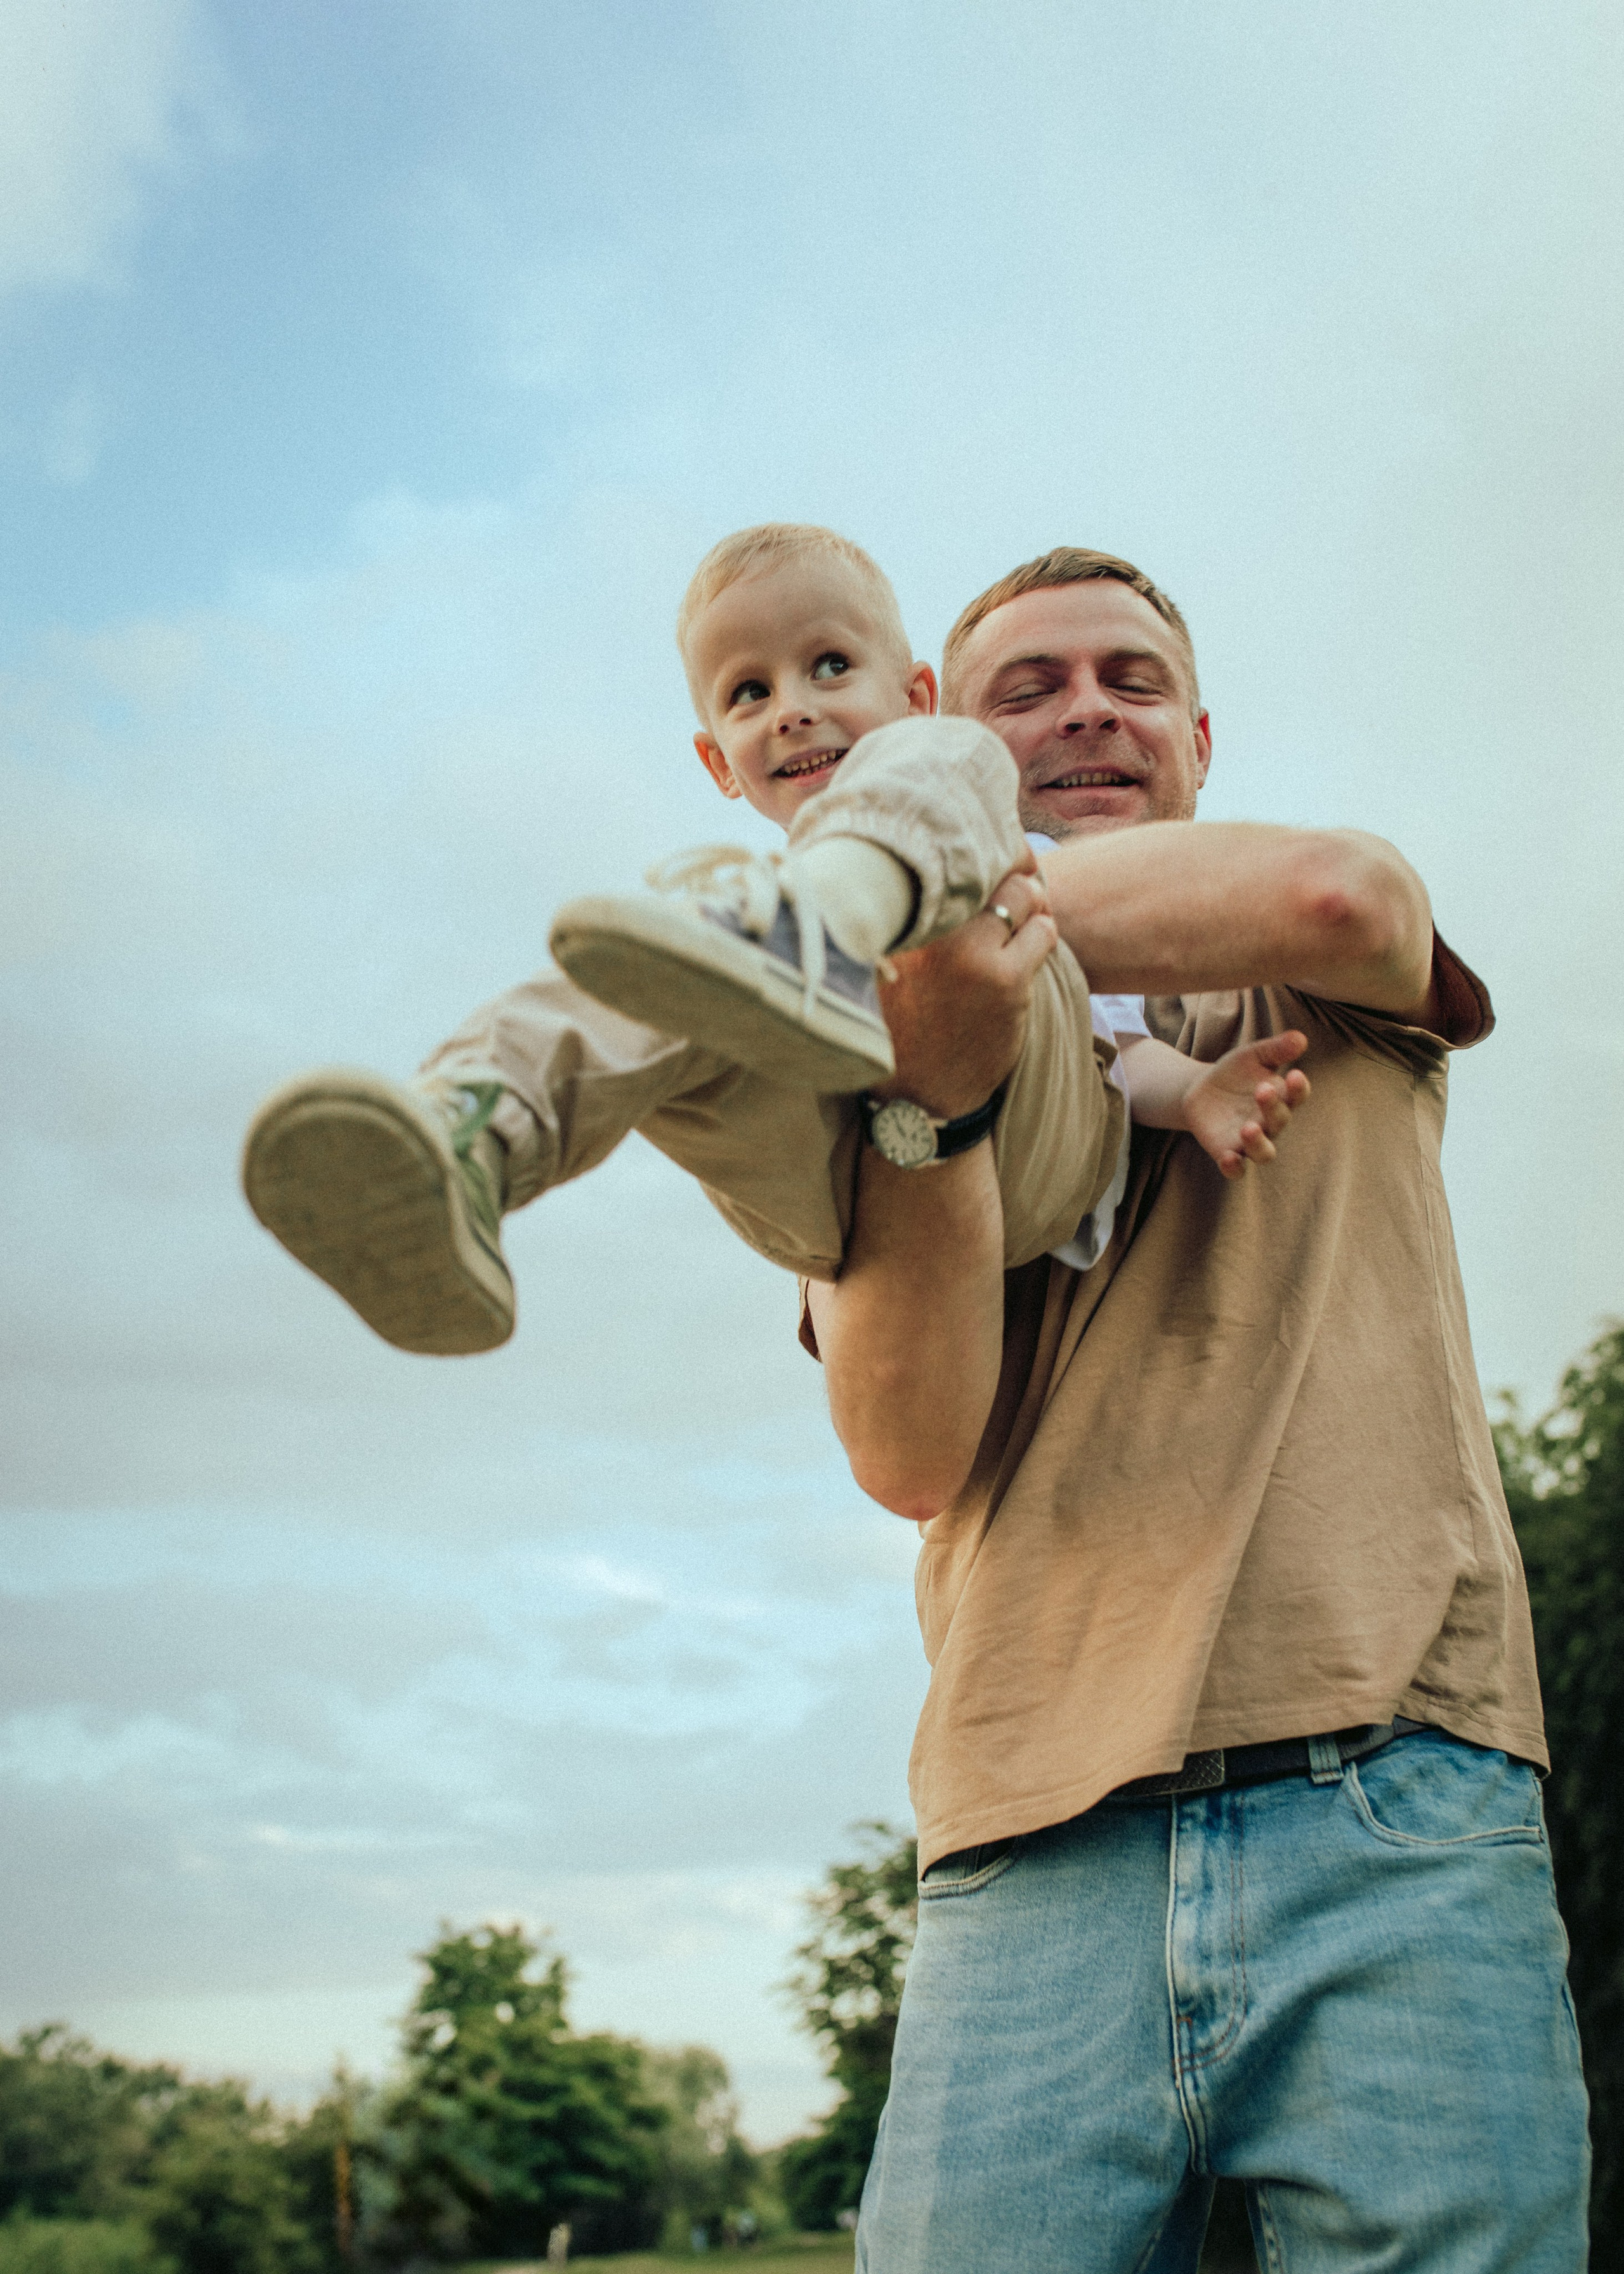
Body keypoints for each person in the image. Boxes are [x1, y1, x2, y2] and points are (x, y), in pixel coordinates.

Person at [803, 547, 1589, 2271]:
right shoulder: (864, 1067)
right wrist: (924, 1076)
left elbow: (1341, 898)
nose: (1088, 706)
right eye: (1030, 688)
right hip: (1031, 1830)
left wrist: (876, 909)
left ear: (1201, 735)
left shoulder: (1315, 974)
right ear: (950, 734)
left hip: (1395, 1786)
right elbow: (906, 1453)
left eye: (1130, 679)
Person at [241, 527, 1307, 1353]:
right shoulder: (722, 918)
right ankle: (473, 1145)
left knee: (951, 778)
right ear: (718, 762)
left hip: (1020, 1154)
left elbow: (1108, 1046)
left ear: (913, 695)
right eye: (750, 693)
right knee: (663, 952)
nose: (792, 709)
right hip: (823, 1201)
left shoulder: (992, 827)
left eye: (830, 667)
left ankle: (834, 929)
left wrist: (1193, 1092)